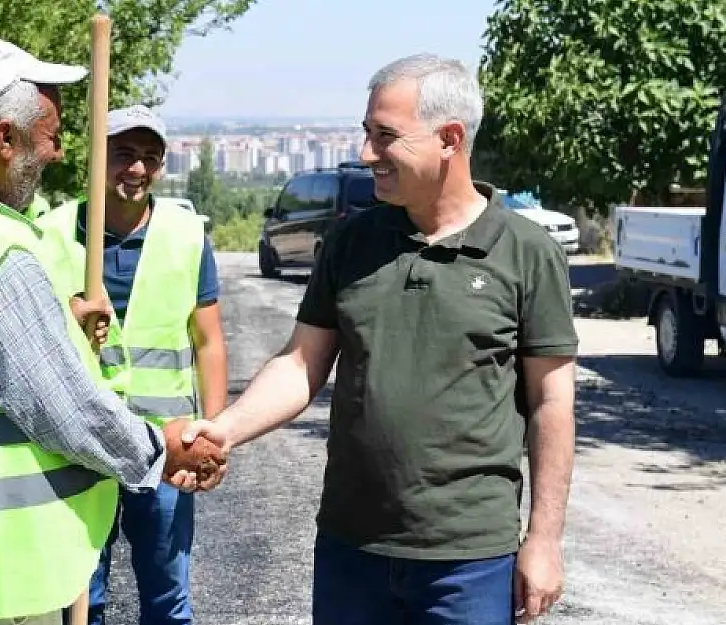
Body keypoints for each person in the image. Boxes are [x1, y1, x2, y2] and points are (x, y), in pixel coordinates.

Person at [182, 53, 578, 625]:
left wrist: (543, 539)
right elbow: (300, 364)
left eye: (385, 136)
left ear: (449, 139)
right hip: (351, 549)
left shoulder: (525, 251)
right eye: (367, 133)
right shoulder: (351, 241)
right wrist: (224, 429)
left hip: (467, 560)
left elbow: (552, 402)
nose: (367, 153)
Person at [0, 38, 225, 625]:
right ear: (4, 138)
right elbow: (66, 410)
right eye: (48, 133)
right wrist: (164, 447)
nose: (55, 153)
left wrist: (57, 324)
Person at [38, 105, 227, 625]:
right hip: (80, 446)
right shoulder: (49, 234)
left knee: (167, 600)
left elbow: (208, 340)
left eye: (150, 157)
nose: (137, 169)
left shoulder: (186, 236)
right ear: (97, 159)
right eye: (124, 154)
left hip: (165, 447)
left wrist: (216, 427)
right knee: (80, 599)